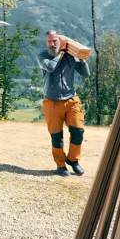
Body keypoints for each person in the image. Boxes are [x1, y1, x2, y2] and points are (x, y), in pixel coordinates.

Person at [38, 30, 90, 177]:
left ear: (59, 41)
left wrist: (81, 57)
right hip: (52, 102)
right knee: (56, 136)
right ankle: (60, 165)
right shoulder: (42, 56)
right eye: (49, 41)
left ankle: (74, 160)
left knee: (78, 131)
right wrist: (61, 53)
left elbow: (86, 74)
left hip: (71, 99)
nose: (52, 44)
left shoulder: (70, 56)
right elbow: (50, 67)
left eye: (54, 41)